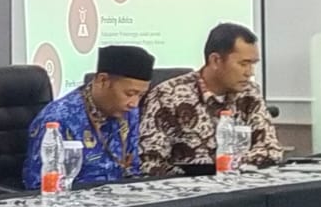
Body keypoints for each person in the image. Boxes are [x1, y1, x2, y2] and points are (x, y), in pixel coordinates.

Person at [139, 23, 283, 174]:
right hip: (187, 185)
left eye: (253, 64)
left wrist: (233, 168)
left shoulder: (249, 93)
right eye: (243, 64)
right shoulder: (169, 95)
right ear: (215, 60)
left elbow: (270, 149)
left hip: (241, 183)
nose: (250, 73)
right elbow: (149, 162)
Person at [24, 44, 155, 188]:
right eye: (129, 94)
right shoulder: (59, 119)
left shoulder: (129, 113)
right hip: (76, 199)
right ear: (102, 80)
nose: (134, 104)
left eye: (140, 95)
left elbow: (133, 169)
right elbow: (40, 186)